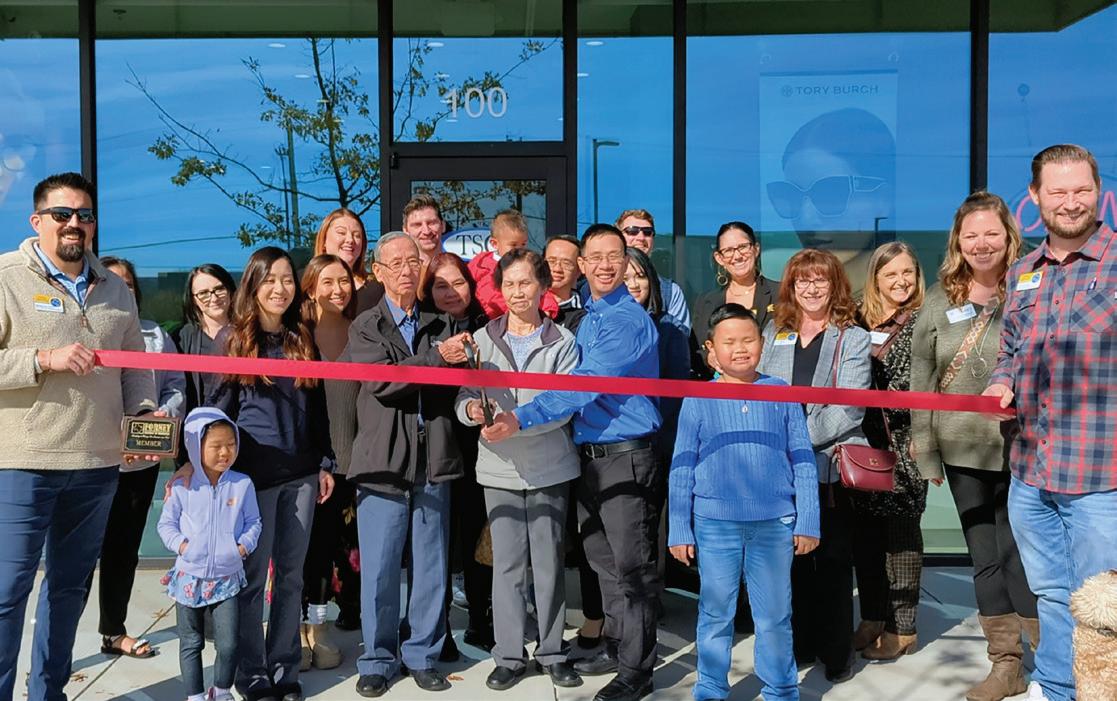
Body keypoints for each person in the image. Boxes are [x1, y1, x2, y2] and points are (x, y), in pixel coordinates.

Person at [484, 224, 662, 701]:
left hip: (626, 457)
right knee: (605, 563)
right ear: (581, 265)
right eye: (595, 257)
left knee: (632, 569)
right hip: (591, 458)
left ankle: (638, 671)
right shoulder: (590, 317)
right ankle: (619, 647)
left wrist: (520, 416)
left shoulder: (625, 320)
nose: (604, 265)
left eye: (614, 256)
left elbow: (584, 384)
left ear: (626, 263)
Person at [0, 172, 157, 701]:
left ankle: (49, 693)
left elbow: (135, 366)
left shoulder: (115, 289)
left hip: (97, 464)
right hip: (23, 462)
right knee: (7, 593)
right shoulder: (5, 276)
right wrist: (44, 358)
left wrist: (143, 412)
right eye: (62, 214)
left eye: (84, 215)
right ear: (36, 221)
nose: (74, 223)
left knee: (69, 590)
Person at [982, 144, 1117, 701]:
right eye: (1058, 191)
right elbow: (1010, 350)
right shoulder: (1023, 272)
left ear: (1099, 191)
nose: (1071, 201)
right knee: (1052, 592)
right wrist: (1000, 381)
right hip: (1030, 469)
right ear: (1036, 197)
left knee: (1104, 603)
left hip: (1100, 474)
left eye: (1082, 189)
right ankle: (1058, 684)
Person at [910, 190, 1036, 701]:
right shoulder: (939, 299)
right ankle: (1006, 665)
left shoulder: (1033, 283)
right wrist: (925, 448)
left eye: (991, 233)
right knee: (986, 557)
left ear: (1008, 235)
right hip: (962, 448)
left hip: (1027, 447)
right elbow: (922, 374)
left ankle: (1054, 660)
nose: (982, 244)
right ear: (957, 242)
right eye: (971, 235)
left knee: (1021, 557)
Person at [202, 246, 336, 701]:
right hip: (252, 481)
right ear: (253, 285)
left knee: (292, 578)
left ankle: (285, 668)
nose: (280, 288)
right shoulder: (234, 340)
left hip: (301, 476)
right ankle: (252, 674)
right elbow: (217, 410)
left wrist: (324, 463)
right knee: (252, 580)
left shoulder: (302, 337)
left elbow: (317, 408)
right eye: (270, 280)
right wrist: (209, 468)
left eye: (287, 279)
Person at [669, 303, 820, 701]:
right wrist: (679, 527)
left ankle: (781, 688)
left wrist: (808, 520)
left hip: (774, 523)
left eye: (748, 340)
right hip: (715, 523)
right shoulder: (698, 397)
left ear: (762, 343)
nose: (740, 349)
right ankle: (710, 687)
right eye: (729, 341)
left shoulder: (781, 392)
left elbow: (802, 459)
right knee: (715, 611)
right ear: (711, 349)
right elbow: (682, 466)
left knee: (774, 615)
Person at [345, 232, 473, 697]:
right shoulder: (366, 326)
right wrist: (437, 359)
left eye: (412, 262)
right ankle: (378, 660)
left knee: (431, 565)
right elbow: (384, 384)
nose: (405, 270)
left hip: (434, 458)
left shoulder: (440, 322)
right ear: (378, 272)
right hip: (383, 462)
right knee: (380, 569)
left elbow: (458, 382)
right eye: (394, 263)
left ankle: (423, 655)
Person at [455, 248, 583, 691]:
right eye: (508, 284)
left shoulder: (562, 342)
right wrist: (471, 410)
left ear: (543, 286)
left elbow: (564, 405)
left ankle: (552, 652)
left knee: (548, 564)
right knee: (506, 565)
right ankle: (509, 655)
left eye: (525, 282)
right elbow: (462, 397)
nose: (516, 292)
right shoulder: (481, 339)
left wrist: (517, 422)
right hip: (499, 468)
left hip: (549, 467)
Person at [756, 248, 871, 684]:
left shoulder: (852, 337)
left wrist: (797, 440)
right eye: (802, 280)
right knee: (793, 560)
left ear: (834, 284)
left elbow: (850, 408)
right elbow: (761, 390)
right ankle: (802, 642)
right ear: (791, 286)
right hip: (780, 467)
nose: (810, 288)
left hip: (827, 465)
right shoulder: (775, 330)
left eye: (819, 279)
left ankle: (837, 652)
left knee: (834, 561)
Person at [86, 256, 186, 660]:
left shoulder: (155, 335)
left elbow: (175, 383)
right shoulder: (84, 330)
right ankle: (54, 649)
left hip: (139, 463)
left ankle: (113, 631)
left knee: (122, 548)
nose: (120, 289)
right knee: (75, 555)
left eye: (127, 284)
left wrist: (163, 414)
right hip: (89, 460)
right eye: (110, 281)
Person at [848, 242, 927, 661]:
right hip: (862, 443)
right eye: (891, 274)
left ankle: (903, 627)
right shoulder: (857, 317)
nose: (901, 281)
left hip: (906, 442)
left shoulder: (924, 318)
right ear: (875, 278)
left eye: (907, 272)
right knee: (865, 537)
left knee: (901, 537)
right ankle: (873, 617)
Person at [158, 407, 262, 701]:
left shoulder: (242, 484)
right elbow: (166, 524)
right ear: (195, 446)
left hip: (227, 576)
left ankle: (222, 691)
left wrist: (242, 547)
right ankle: (195, 695)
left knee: (228, 643)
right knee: (191, 642)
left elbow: (254, 521)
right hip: (189, 577)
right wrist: (183, 547)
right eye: (216, 446)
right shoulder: (182, 486)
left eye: (231, 444)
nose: (225, 452)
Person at [423, 252, 494, 652]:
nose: (450, 292)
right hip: (435, 444)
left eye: (458, 283)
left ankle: (481, 619)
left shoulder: (488, 326)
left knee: (476, 535)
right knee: (438, 542)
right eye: (440, 286)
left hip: (479, 447)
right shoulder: (423, 328)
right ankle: (440, 627)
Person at [297, 254, 361, 670]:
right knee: (300, 550)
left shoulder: (361, 329)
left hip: (351, 462)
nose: (338, 290)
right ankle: (295, 630)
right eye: (328, 282)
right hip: (309, 462)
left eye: (344, 281)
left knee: (329, 550)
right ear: (311, 287)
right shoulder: (297, 334)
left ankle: (318, 628)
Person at [767, 108, 896, 293]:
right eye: (791, 196)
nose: (807, 218)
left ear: (882, 200)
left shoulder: (919, 307)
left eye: (830, 193)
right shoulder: (784, 304)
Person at [691, 221, 779, 379]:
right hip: (721, 387)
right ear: (719, 258)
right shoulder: (706, 302)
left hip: (769, 385)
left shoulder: (781, 294)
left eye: (743, 247)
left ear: (756, 249)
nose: (737, 256)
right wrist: (709, 358)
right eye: (728, 250)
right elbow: (696, 349)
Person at [173, 263, 238, 422]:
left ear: (230, 290)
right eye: (203, 293)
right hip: (197, 426)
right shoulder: (181, 338)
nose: (214, 298)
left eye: (219, 289)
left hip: (241, 427)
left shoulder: (248, 335)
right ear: (193, 299)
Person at [467, 209, 559, 319]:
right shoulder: (482, 265)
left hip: (526, 317)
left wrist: (548, 307)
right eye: (513, 245)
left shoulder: (528, 264)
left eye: (523, 244)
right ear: (495, 243)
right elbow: (490, 296)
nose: (519, 249)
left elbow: (541, 287)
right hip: (490, 319)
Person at [614, 209, 691, 332]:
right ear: (617, 237)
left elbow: (680, 337)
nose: (641, 237)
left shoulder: (671, 291)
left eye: (647, 232)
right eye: (632, 231)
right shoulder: (601, 284)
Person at [313, 206, 384, 314]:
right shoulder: (304, 283)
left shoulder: (377, 289)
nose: (350, 240)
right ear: (324, 240)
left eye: (357, 235)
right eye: (341, 233)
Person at [402, 193, 447, 273]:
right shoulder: (402, 273)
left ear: (443, 226)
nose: (426, 231)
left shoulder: (459, 268)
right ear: (406, 231)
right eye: (417, 225)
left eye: (432, 223)